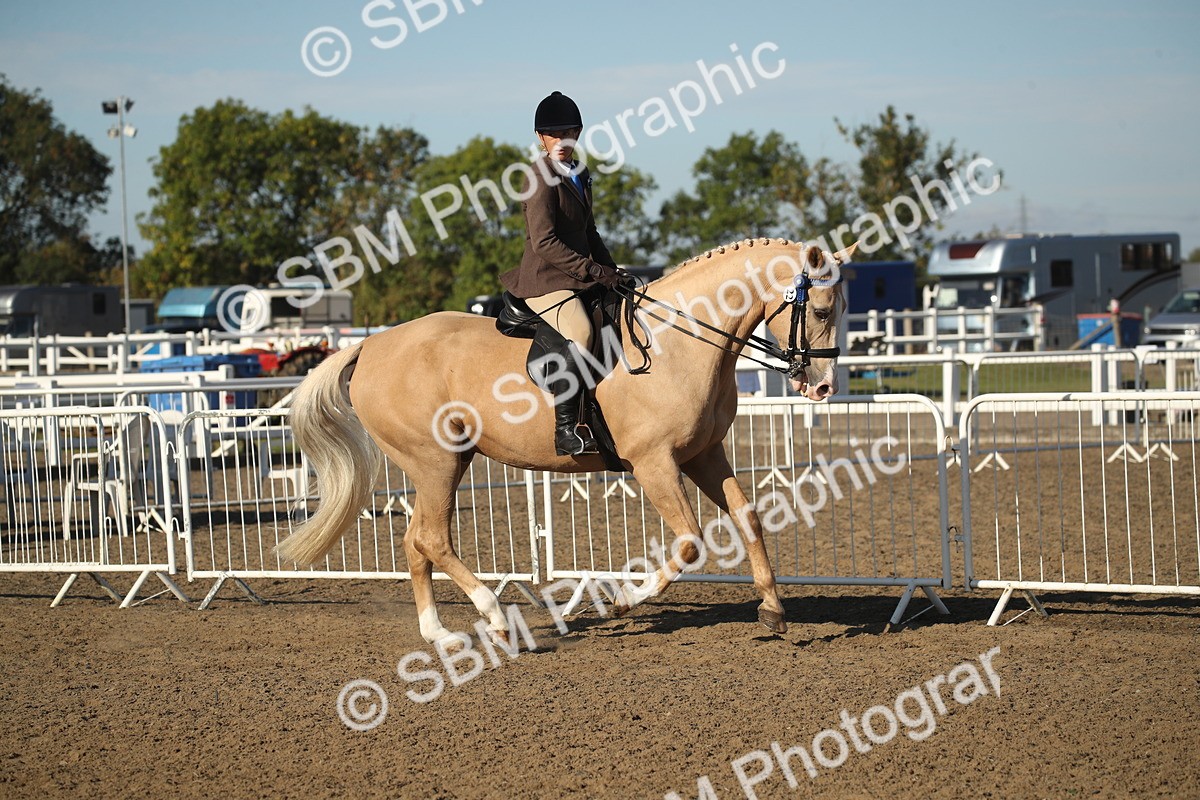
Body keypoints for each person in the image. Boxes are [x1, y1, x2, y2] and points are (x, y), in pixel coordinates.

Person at [498, 91, 623, 456]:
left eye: (569, 132)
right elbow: (544, 242)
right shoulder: (537, 177)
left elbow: (590, 233)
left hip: (577, 276)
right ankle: (566, 429)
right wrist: (591, 270)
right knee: (582, 332)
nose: (562, 141)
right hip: (545, 279)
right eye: (554, 134)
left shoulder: (580, 172)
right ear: (540, 137)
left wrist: (613, 271)